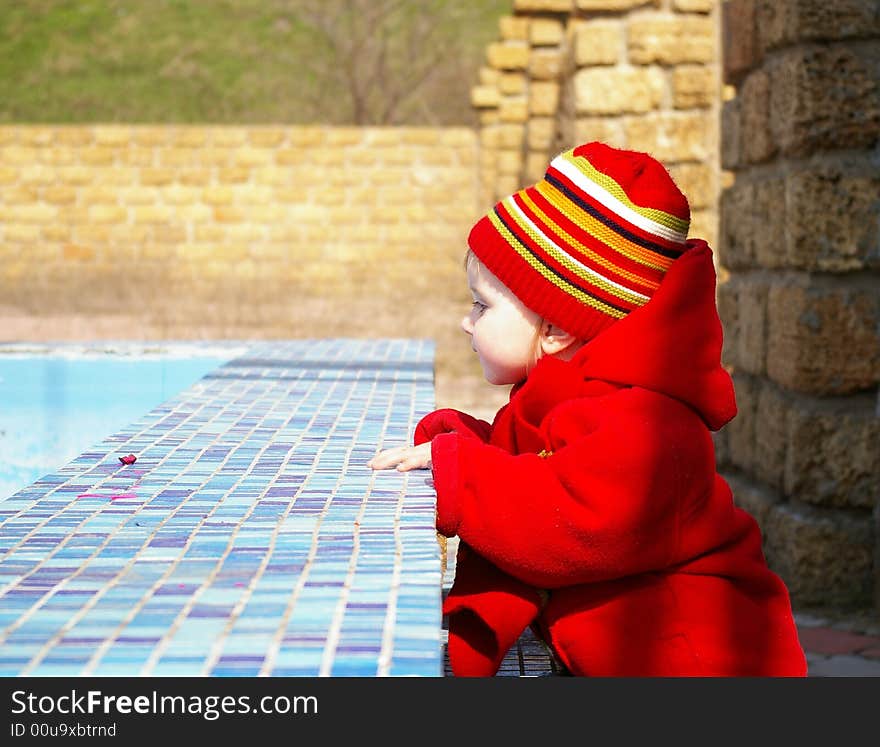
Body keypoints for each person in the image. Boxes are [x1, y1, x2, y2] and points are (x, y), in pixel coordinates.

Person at [368, 141, 807, 677]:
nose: (467, 321)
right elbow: (544, 464)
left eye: (482, 305)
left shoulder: (649, 423)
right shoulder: (574, 389)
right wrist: (462, 441)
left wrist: (464, 474)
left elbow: (568, 521)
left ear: (555, 327)